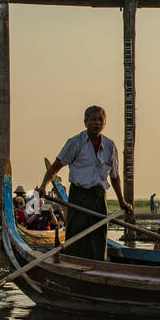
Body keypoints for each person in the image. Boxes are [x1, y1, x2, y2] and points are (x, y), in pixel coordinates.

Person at [39, 105, 134, 261]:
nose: (97, 123)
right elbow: (56, 167)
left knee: (99, 233)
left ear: (104, 123)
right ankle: (72, 262)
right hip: (79, 195)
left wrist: (122, 201)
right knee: (76, 231)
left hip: (98, 196)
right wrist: (43, 186)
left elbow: (115, 176)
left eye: (100, 119)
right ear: (85, 122)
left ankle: (98, 265)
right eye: (93, 119)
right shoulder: (75, 143)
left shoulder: (110, 146)